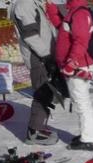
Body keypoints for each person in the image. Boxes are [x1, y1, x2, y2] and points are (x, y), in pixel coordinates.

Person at [46, 0, 93, 150]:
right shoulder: (74, 12)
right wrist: (51, 9)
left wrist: (72, 62)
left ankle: (89, 139)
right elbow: (62, 28)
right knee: (80, 101)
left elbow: (81, 41)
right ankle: (87, 134)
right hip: (76, 64)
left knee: (82, 102)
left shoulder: (80, 13)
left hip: (79, 66)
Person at [10, 0, 59, 145]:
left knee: (47, 92)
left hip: (42, 56)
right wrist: (46, 55)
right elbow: (30, 35)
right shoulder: (24, 5)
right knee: (42, 92)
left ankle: (39, 127)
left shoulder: (33, 4)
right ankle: (34, 132)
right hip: (37, 57)